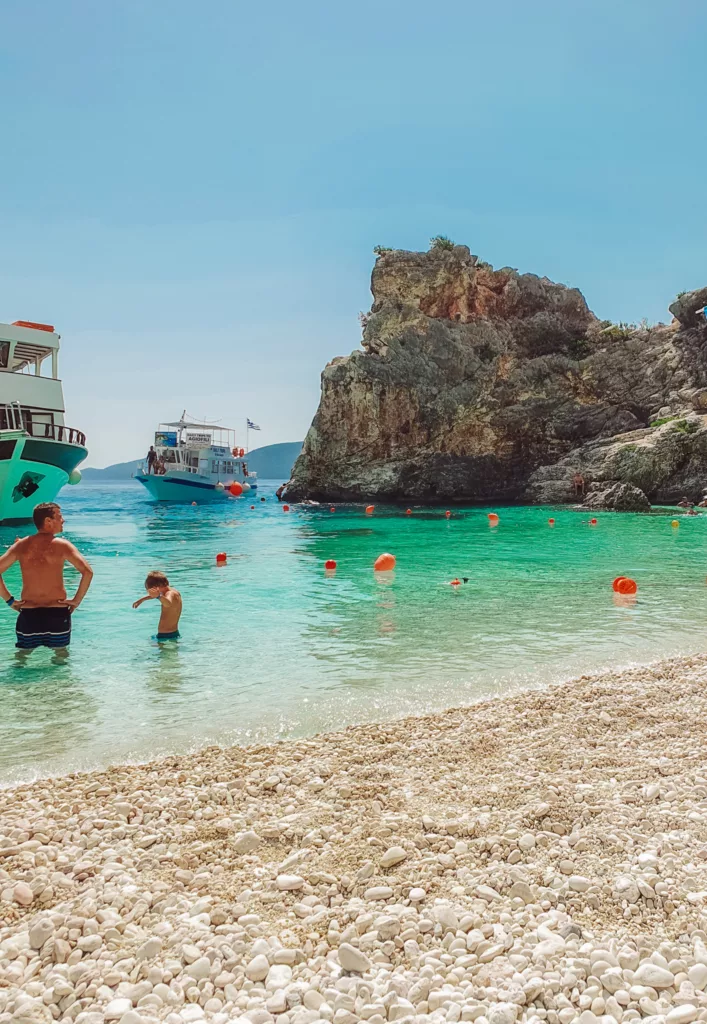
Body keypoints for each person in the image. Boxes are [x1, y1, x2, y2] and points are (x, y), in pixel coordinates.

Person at [0, 502, 93, 659]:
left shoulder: (21, 546)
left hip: (28, 614)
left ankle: (16, 684)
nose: (63, 520)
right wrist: (76, 601)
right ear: (48, 521)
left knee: (21, 659)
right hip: (57, 614)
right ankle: (62, 685)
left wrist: (10, 601)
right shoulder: (63, 545)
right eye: (59, 516)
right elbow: (87, 572)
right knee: (61, 657)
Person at [133, 570, 182, 642]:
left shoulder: (169, 594)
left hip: (166, 635)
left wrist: (158, 596)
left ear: (157, 588)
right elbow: (161, 597)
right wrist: (142, 599)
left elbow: (168, 603)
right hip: (172, 633)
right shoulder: (173, 592)